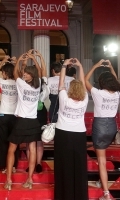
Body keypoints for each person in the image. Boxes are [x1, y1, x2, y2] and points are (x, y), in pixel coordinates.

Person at [4, 52, 41, 190]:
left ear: (31, 75)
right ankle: (29, 180)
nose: (23, 75)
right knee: (31, 150)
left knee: (11, 149)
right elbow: (40, 70)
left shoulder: (21, 84)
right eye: (24, 73)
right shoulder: (38, 86)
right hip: (33, 122)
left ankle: (9, 180)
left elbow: (15, 72)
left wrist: (20, 58)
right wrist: (33, 59)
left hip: (21, 122)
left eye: (26, 73)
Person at [85, 59, 120, 200]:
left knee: (102, 160)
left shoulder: (98, 93)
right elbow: (116, 80)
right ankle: (102, 180)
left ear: (101, 82)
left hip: (100, 126)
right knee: (103, 158)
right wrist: (111, 67)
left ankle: (106, 193)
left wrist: (95, 66)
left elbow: (85, 79)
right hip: (112, 126)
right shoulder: (117, 93)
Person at [54, 58, 89, 200]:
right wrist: (80, 66)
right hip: (79, 135)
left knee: (63, 166)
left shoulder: (64, 98)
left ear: (70, 89)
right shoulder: (85, 99)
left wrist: (64, 65)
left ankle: (63, 195)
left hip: (63, 134)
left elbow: (60, 82)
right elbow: (83, 84)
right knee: (79, 167)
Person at [25, 50, 50, 173]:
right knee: (40, 140)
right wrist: (39, 57)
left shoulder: (26, 84)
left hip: (30, 112)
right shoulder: (43, 84)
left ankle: (31, 164)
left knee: (30, 140)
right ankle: (38, 163)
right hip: (41, 112)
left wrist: (28, 59)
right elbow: (43, 71)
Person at [0, 55, 19, 173]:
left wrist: (2, 61)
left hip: (3, 115)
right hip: (15, 116)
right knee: (14, 142)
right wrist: (16, 62)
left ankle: (4, 165)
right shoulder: (18, 83)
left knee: (2, 141)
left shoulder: (2, 81)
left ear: (4, 73)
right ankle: (13, 166)